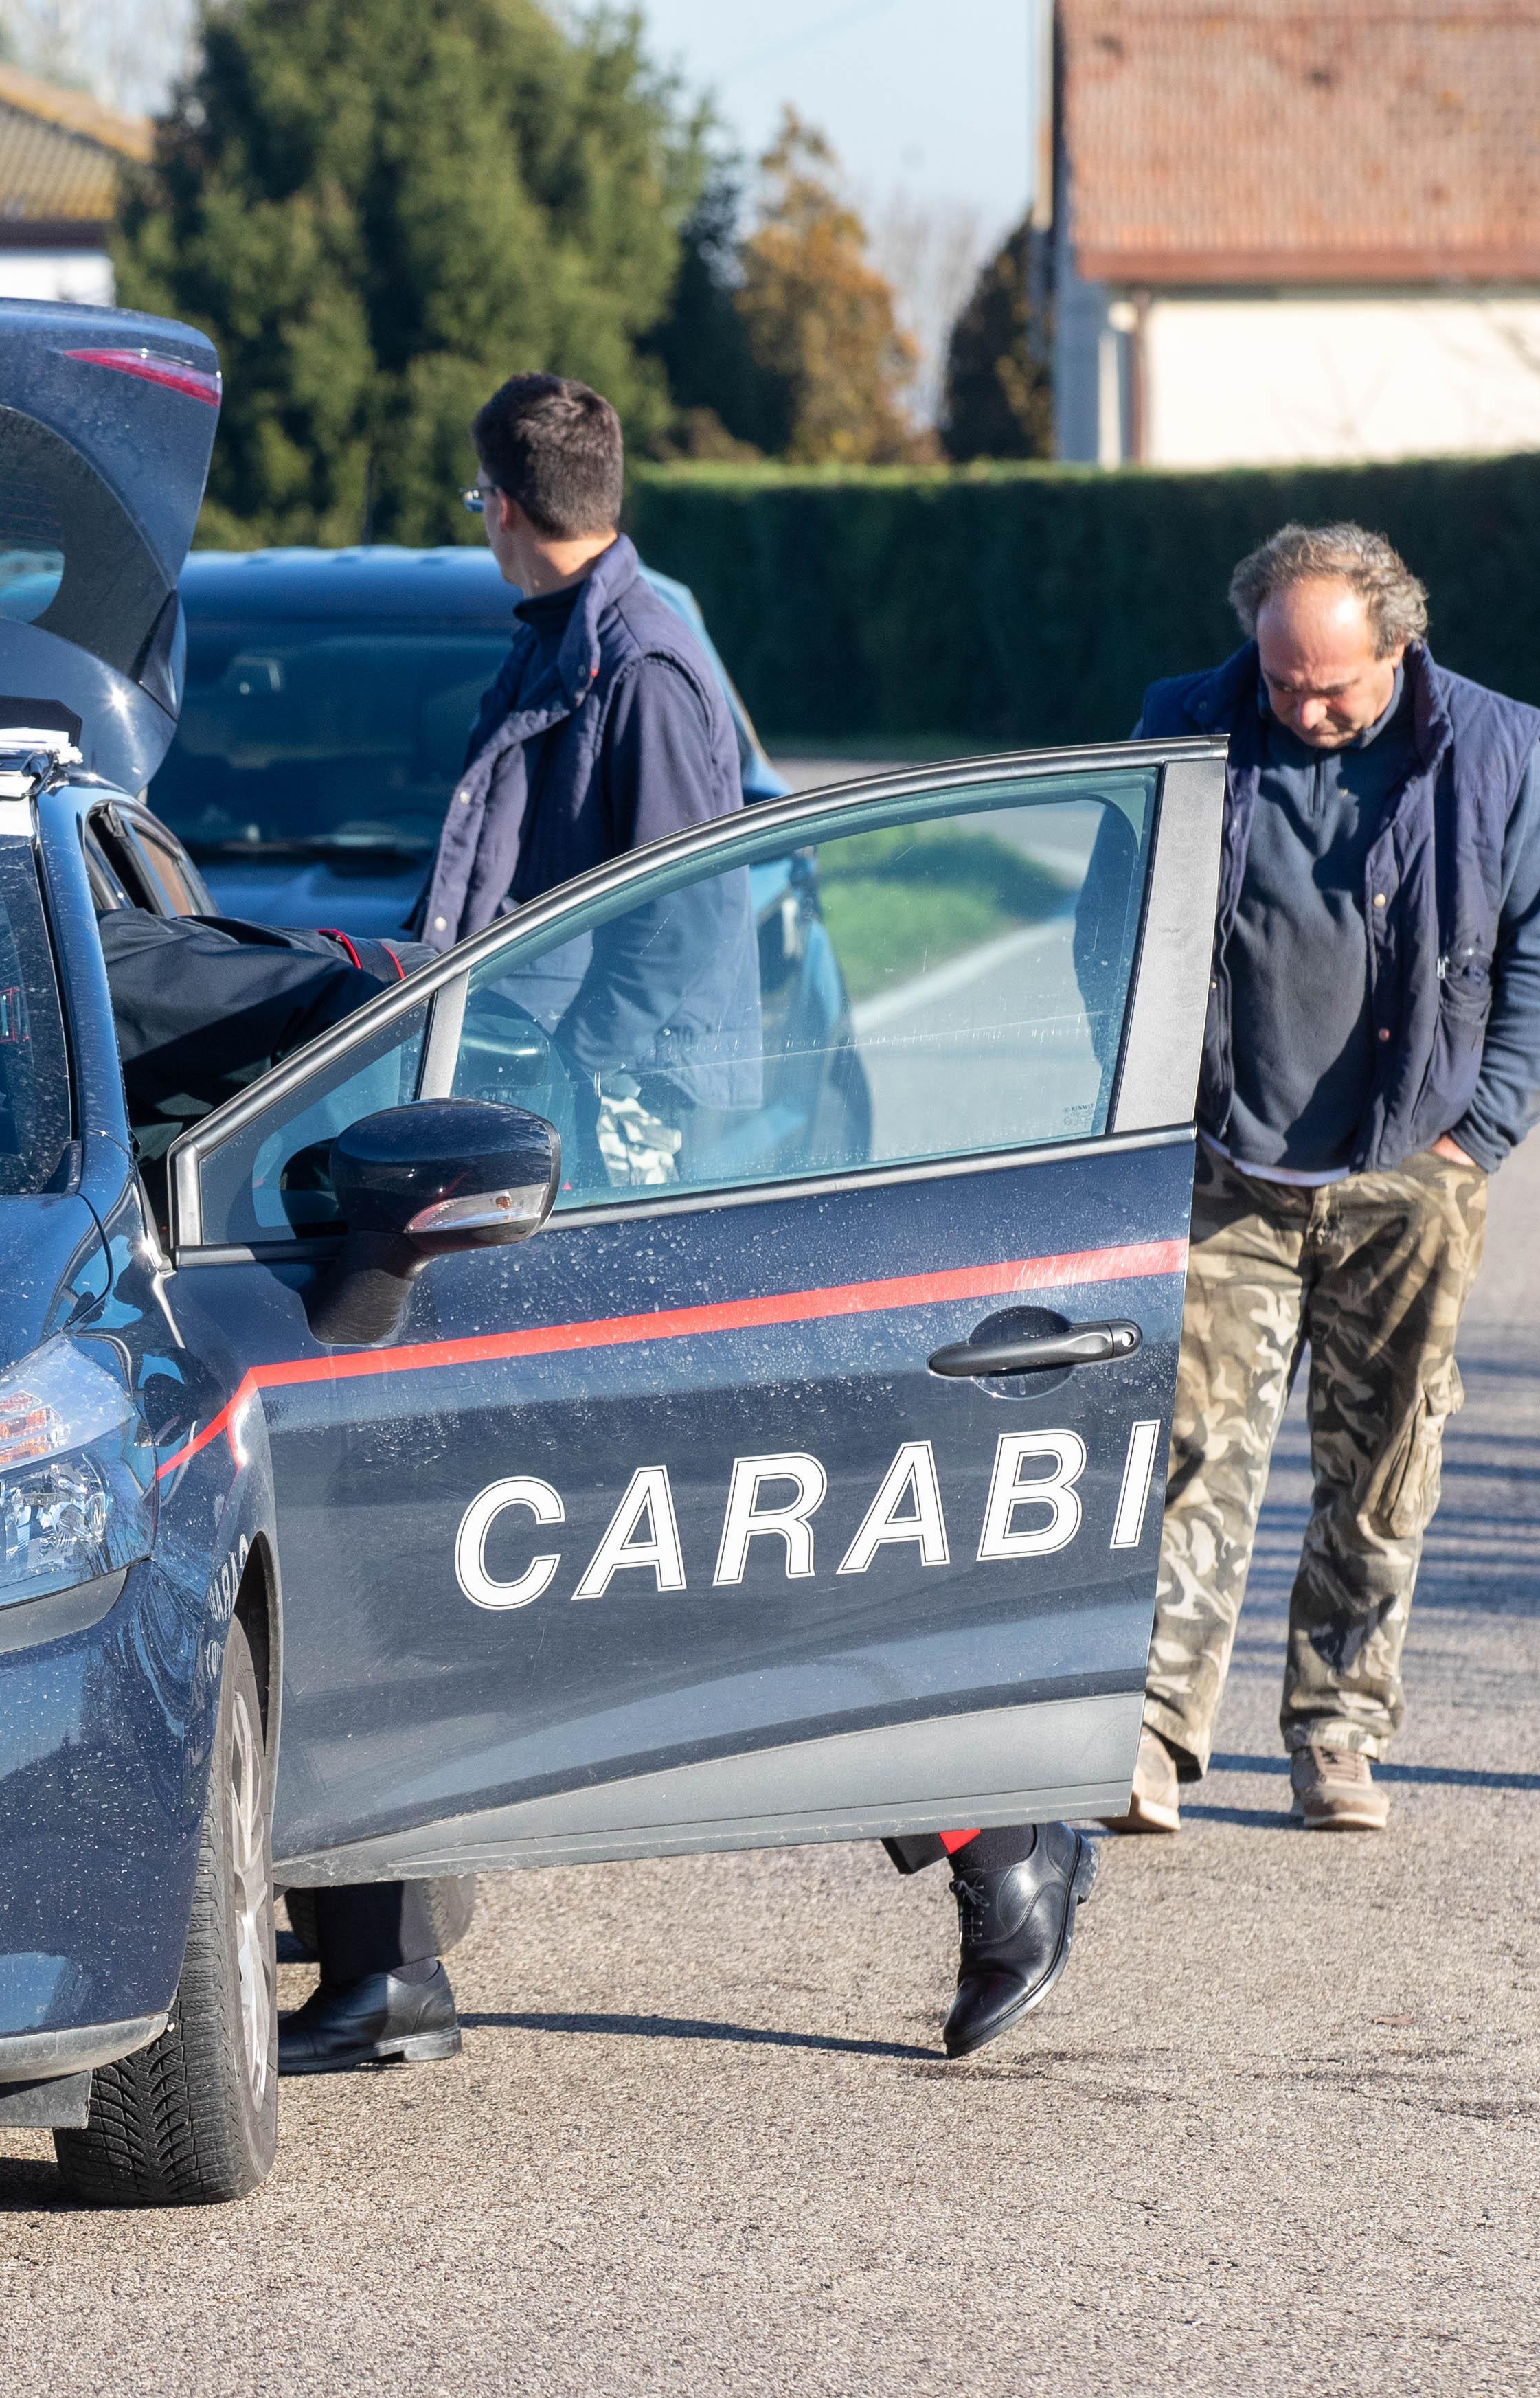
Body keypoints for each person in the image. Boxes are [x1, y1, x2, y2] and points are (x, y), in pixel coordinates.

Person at [258, 370, 1096, 2070]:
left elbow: (676, 945)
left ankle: (1001, 1842)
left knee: (700, 1567)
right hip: (516, 1118)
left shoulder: (637, 670)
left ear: (500, 499)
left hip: (600, 1153)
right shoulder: (579, 638)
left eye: (476, 498)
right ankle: (381, 1963)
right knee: (416, 1506)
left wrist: (584, 1129)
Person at [1111, 522, 1540, 1837]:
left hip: (1410, 1178)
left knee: (1381, 1464)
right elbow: (1121, 919)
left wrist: (1471, 1140)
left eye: (1334, 686)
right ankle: (1153, 1735)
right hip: (1229, 1169)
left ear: (1399, 645)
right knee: (1193, 1455)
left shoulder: (1490, 752)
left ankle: (1337, 1733)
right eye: (1283, 684)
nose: (1305, 710)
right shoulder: (1190, 727)